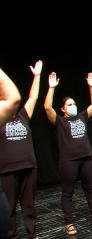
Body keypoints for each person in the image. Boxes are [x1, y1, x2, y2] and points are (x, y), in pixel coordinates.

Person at [44, 71, 92, 235]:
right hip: (68, 160)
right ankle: (69, 223)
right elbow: (47, 108)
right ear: (63, 109)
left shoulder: (82, 117)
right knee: (68, 192)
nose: (73, 106)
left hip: (86, 158)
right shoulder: (60, 121)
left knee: (89, 188)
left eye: (74, 104)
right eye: (69, 105)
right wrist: (51, 88)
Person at [0, 65, 23, 239]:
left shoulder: (23, 116)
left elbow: (15, 99)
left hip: (25, 166)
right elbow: (12, 98)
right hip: (7, 168)